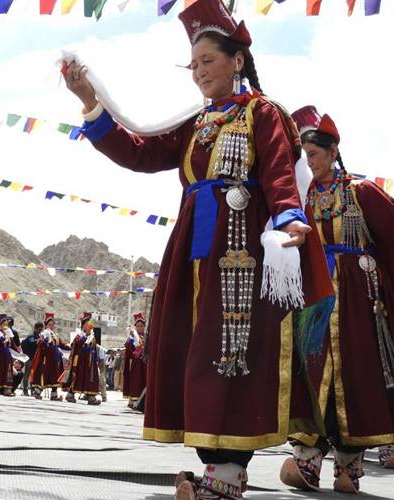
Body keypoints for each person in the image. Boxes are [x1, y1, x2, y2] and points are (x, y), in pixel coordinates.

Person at [62, 0, 334, 497]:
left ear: (237, 60)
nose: (200, 72)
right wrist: (89, 100)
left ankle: (226, 474)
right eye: (194, 64)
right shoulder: (196, 121)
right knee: (194, 351)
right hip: (192, 252)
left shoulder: (263, 113)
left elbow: (277, 172)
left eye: (209, 61)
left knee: (232, 351)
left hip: (241, 255)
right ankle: (215, 470)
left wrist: (291, 219)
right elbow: (139, 153)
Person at [278, 106, 394, 493]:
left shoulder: (361, 191)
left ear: (332, 152)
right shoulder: (301, 198)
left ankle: (349, 466)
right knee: (310, 371)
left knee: (357, 375)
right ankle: (308, 459)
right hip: (314, 299)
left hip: (359, 301)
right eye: (304, 157)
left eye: (313, 155)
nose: (308, 163)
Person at [62, 312, 101, 405]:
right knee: (78, 376)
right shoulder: (80, 335)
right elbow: (76, 344)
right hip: (80, 360)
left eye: (89, 325)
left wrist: (96, 358)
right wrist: (85, 336)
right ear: (83, 326)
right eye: (86, 324)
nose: (88, 326)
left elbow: (94, 348)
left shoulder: (92, 336)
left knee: (90, 377)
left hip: (90, 360)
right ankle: (70, 394)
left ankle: (91, 397)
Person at [29, 313, 68, 401]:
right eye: (49, 325)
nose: (51, 326)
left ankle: (54, 395)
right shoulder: (44, 334)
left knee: (55, 376)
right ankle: (37, 392)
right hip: (47, 359)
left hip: (55, 360)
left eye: (52, 325)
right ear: (46, 325)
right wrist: (45, 340)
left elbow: (62, 344)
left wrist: (70, 348)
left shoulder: (55, 335)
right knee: (45, 375)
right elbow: (39, 343)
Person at [123, 313, 148, 409]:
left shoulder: (147, 337)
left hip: (144, 362)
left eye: (141, 326)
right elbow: (128, 346)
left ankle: (142, 401)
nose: (140, 328)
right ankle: (133, 400)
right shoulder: (133, 336)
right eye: (138, 326)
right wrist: (132, 338)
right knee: (136, 381)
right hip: (136, 363)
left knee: (144, 380)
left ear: (144, 327)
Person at [20, 321, 42, 396]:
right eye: (39, 329)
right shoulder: (31, 335)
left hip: (35, 358)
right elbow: (32, 342)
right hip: (29, 358)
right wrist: (40, 340)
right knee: (27, 374)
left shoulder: (38, 336)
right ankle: (25, 390)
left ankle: (33, 390)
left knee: (33, 375)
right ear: (35, 328)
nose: (40, 331)